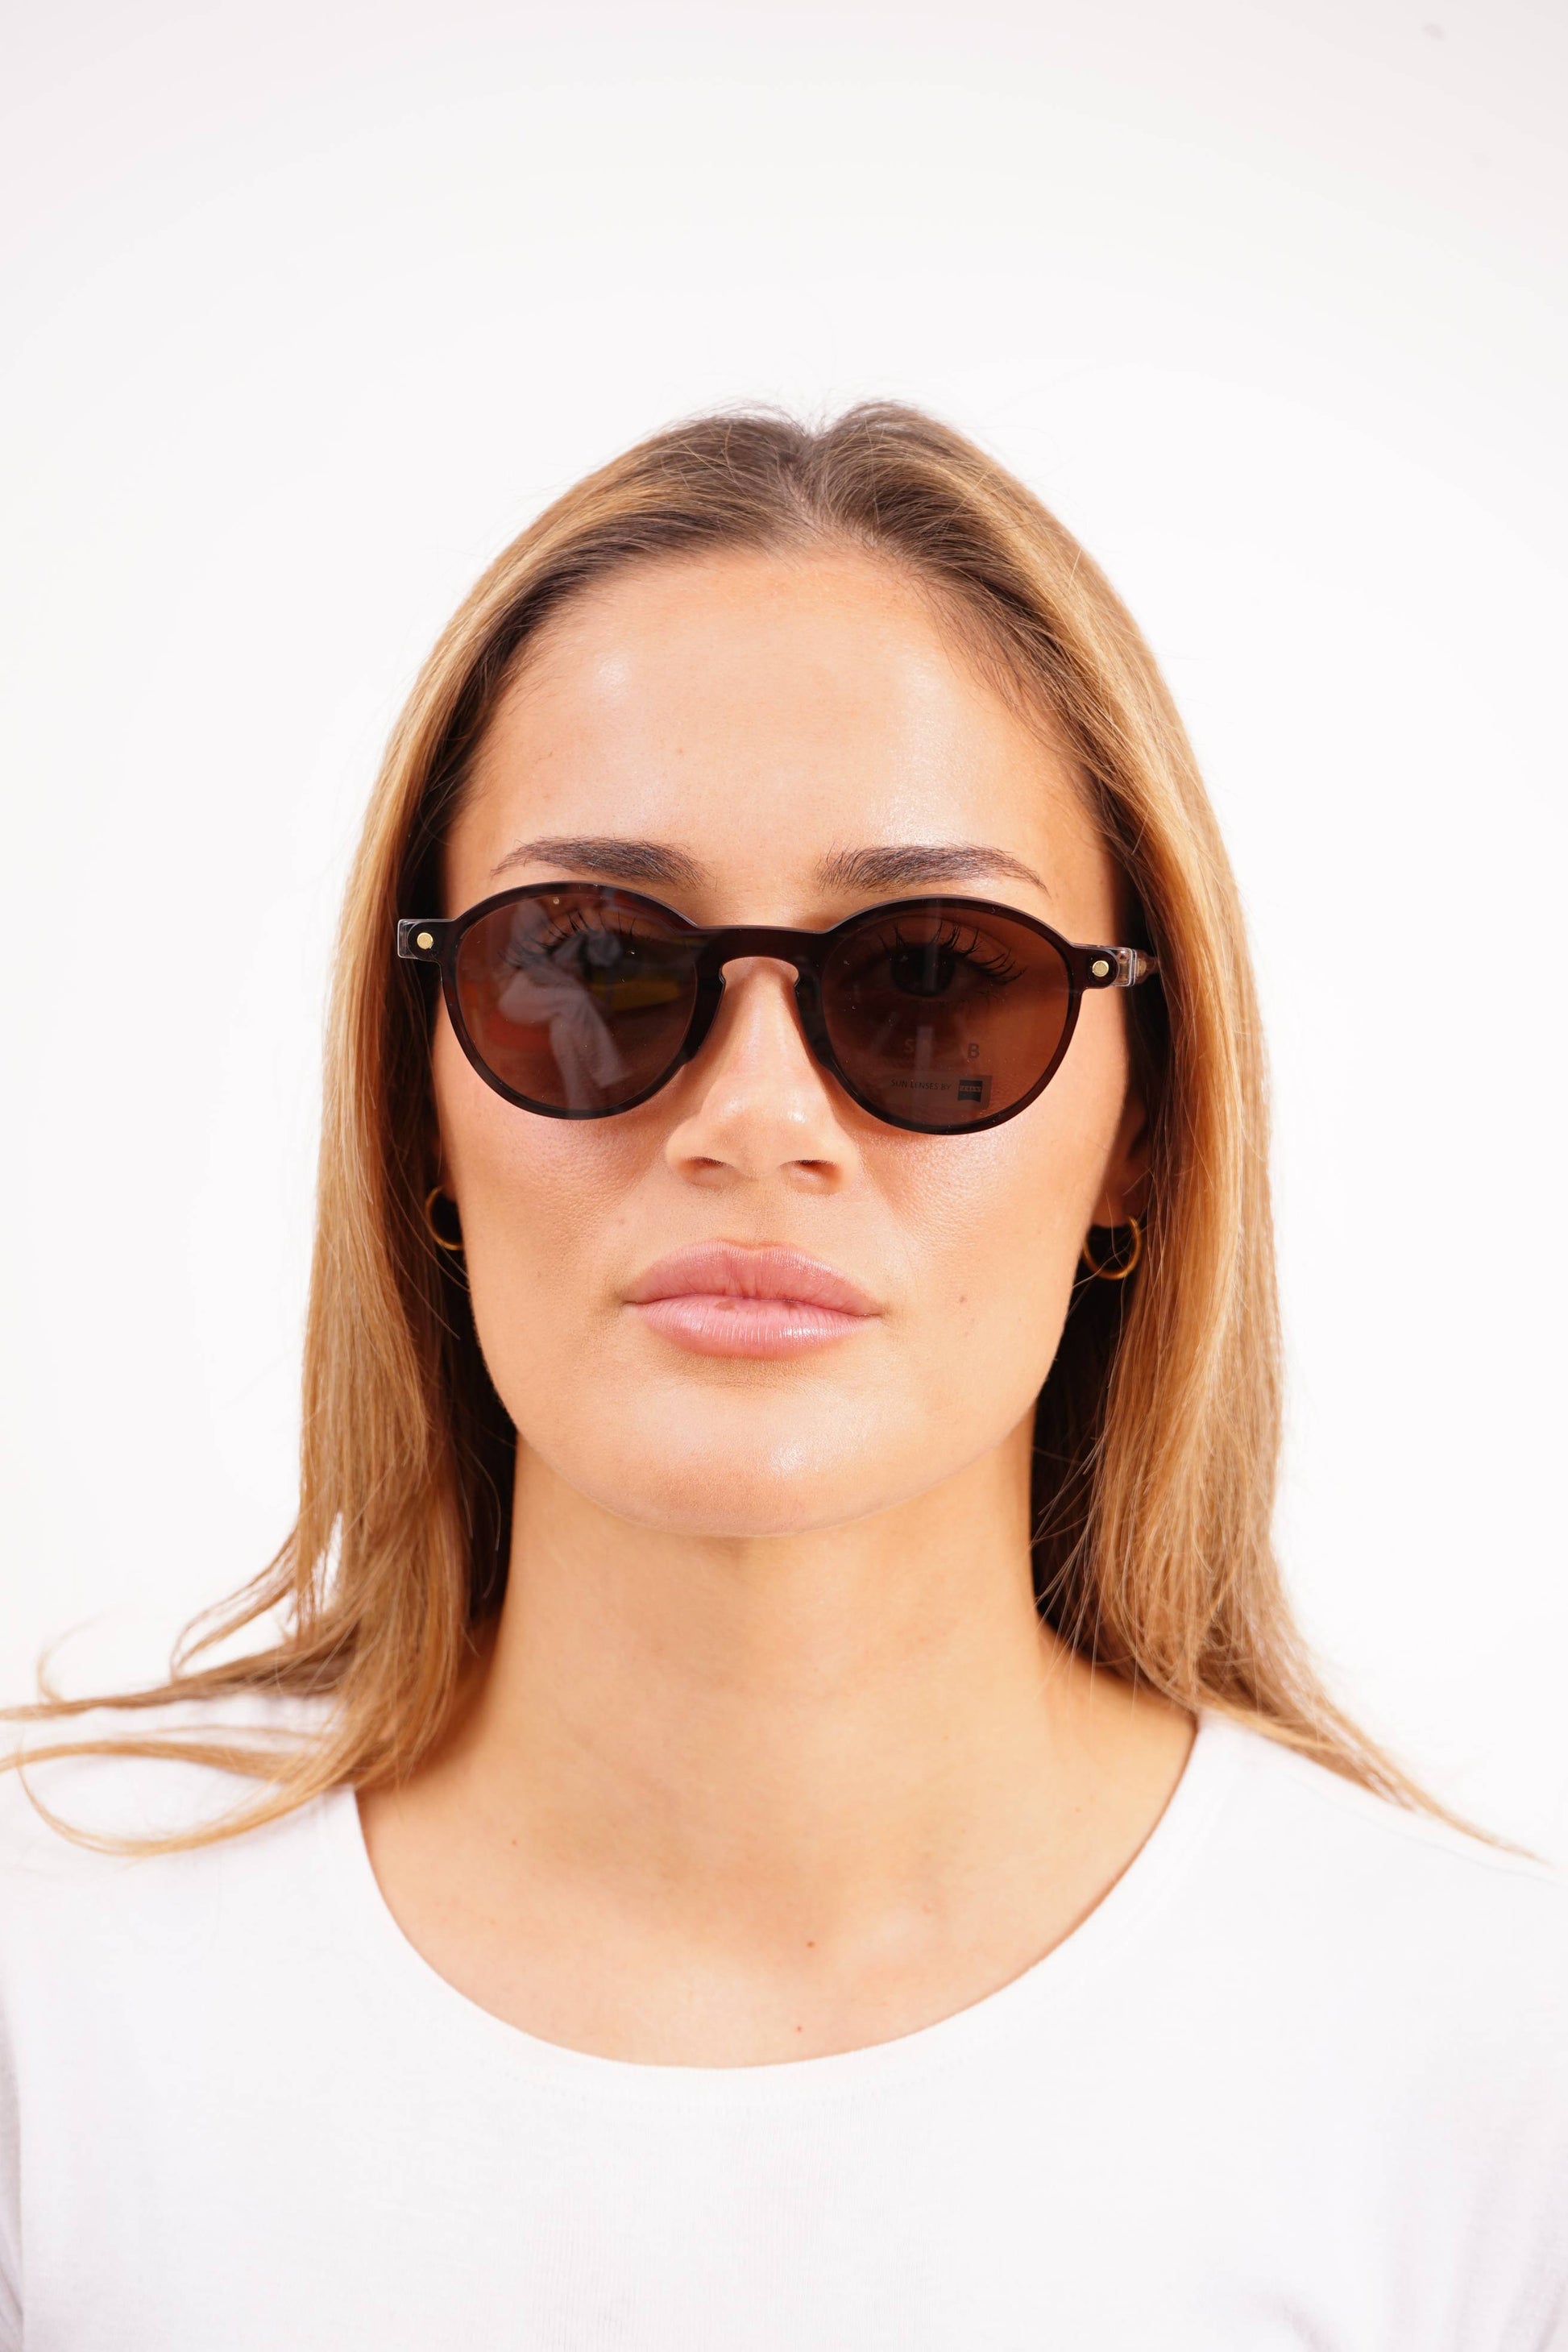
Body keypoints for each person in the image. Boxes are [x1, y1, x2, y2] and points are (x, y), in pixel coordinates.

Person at [1, 404, 1562, 2348]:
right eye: (590, 962)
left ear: (1143, 1126)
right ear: (414, 1094)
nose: (755, 1118)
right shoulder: (50, 1996)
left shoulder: (1494, 2088)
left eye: (932, 976)